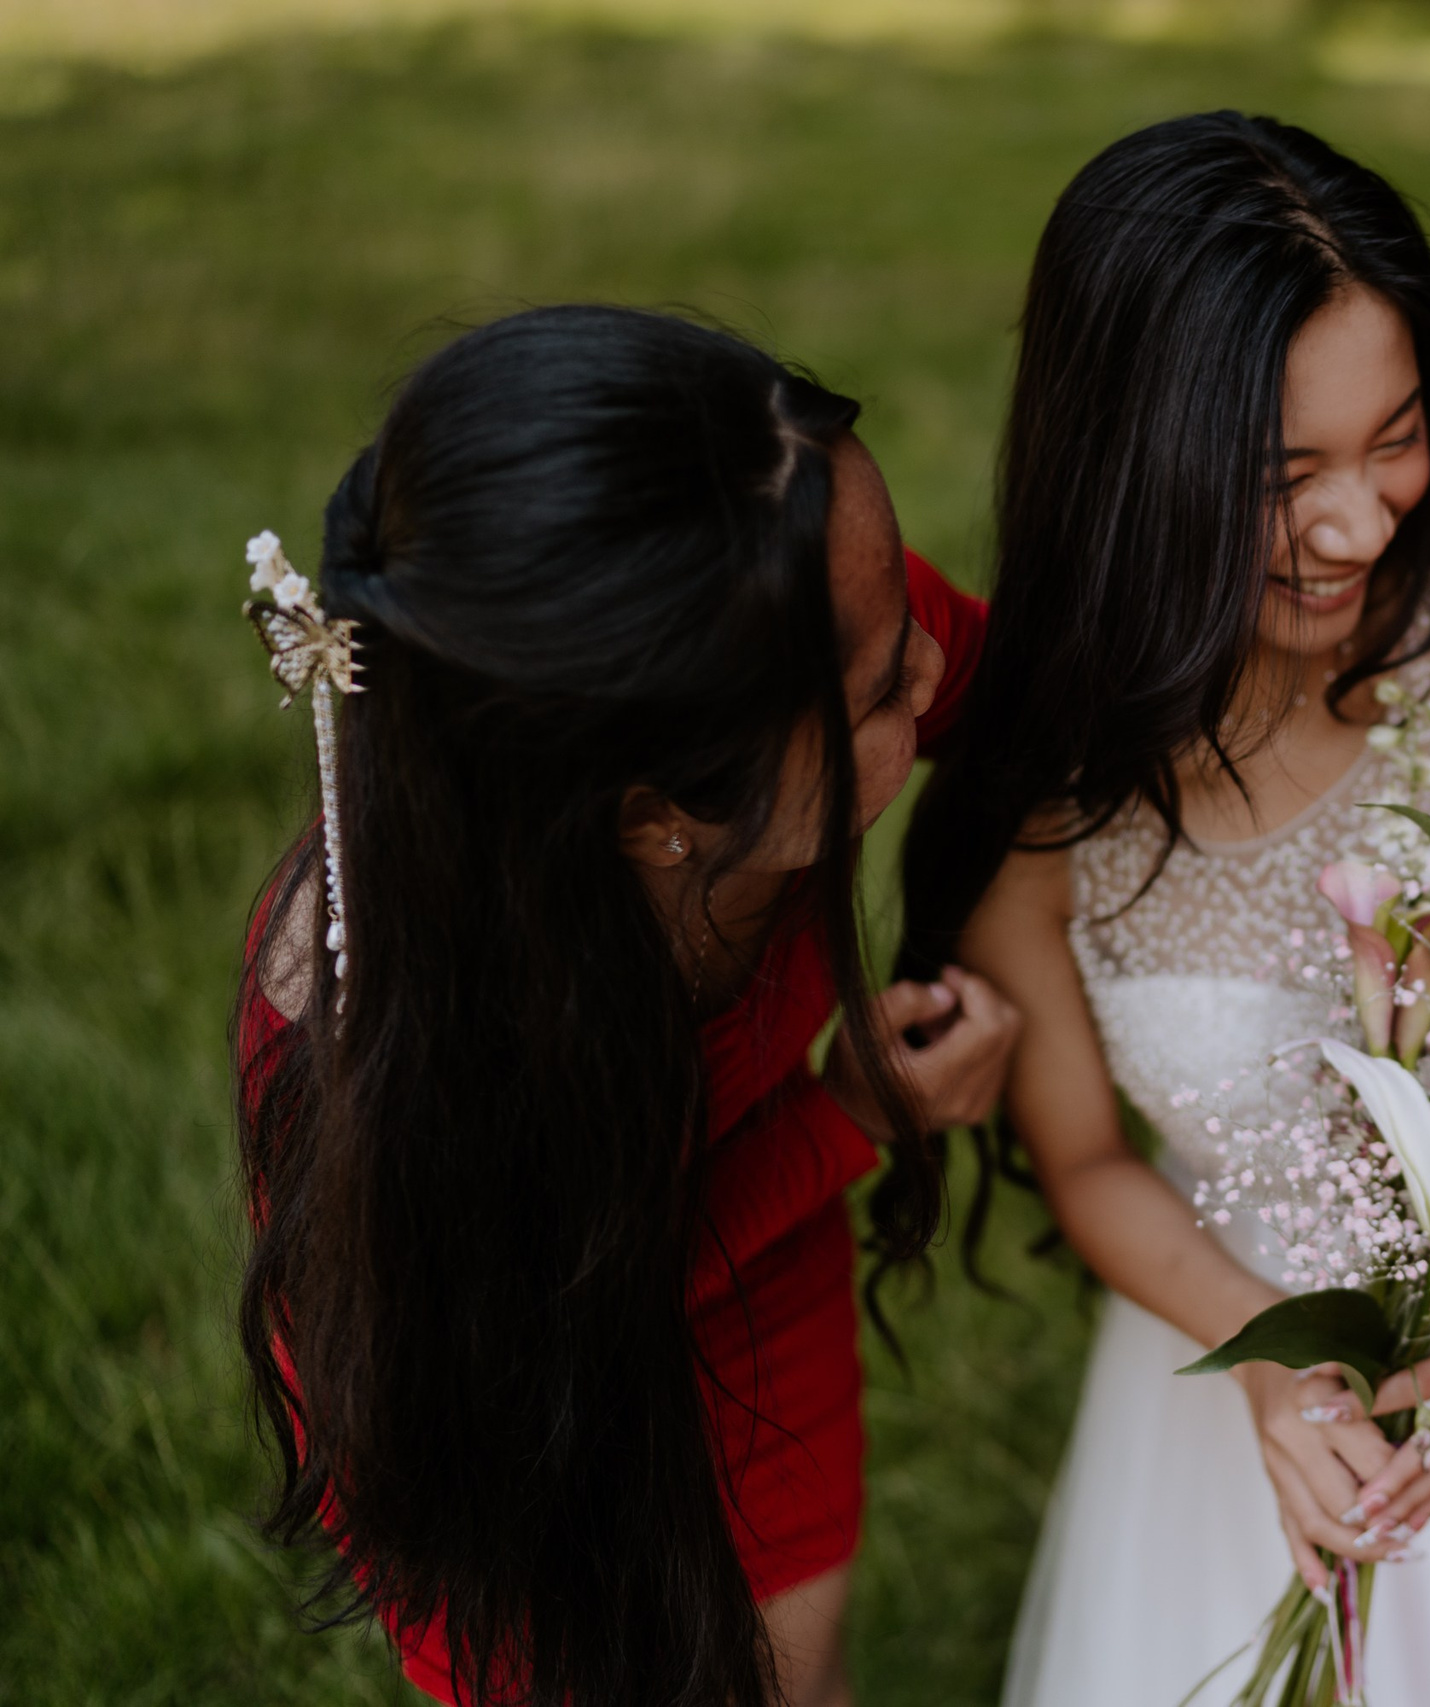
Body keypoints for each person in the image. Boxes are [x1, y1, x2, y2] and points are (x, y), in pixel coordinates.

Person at [899, 112, 1430, 1705]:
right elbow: (1094, 1163)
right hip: (1231, 1366)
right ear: (1127, 469)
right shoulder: (1041, 776)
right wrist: (1275, 1357)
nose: (1364, 524)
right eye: (1281, 476)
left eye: (1396, 437)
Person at [232, 304, 1016, 1707]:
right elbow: (536, 1360)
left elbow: (1023, 676)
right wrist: (847, 1116)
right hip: (517, 1451)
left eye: (900, 606)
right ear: (658, 816)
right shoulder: (389, 1075)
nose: (934, 668)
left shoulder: (782, 606)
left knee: (794, 1669)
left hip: (757, 1298)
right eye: (884, 689)